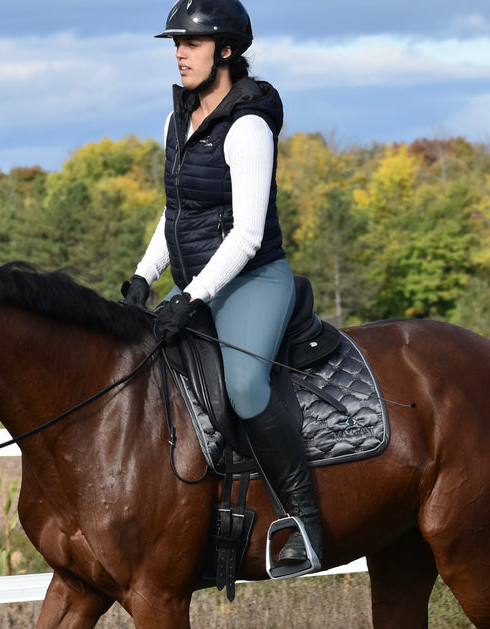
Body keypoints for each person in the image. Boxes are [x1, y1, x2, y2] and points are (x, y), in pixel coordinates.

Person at [122, 0, 322, 574]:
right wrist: (145, 274)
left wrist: (190, 297)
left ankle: (302, 521)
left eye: (192, 43)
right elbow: (177, 211)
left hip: (254, 280)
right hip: (200, 285)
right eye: (175, 44)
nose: (180, 53)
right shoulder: (175, 119)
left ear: (227, 51)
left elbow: (248, 233)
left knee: (245, 385)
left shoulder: (249, 127)